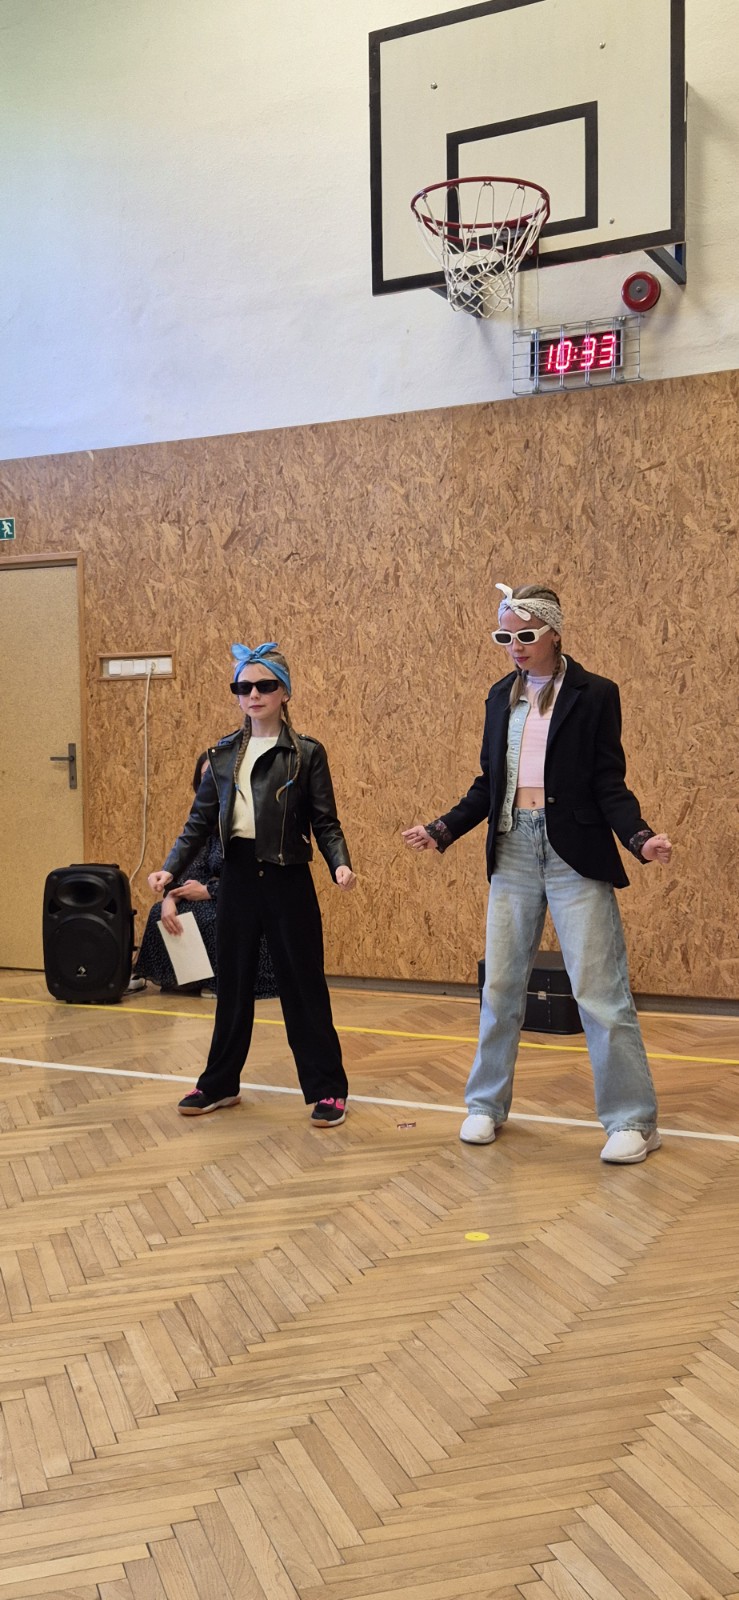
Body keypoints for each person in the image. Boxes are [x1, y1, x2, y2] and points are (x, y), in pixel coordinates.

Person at [402, 582, 672, 1165]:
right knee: (500, 987)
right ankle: (485, 1105)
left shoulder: (596, 694)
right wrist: (442, 829)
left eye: (525, 635)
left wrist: (639, 837)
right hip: (514, 850)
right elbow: (487, 784)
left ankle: (633, 1121)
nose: (515, 646)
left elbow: (609, 782)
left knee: (600, 993)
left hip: (575, 854)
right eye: (504, 637)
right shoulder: (499, 697)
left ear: (554, 632)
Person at [148, 642, 356, 1125]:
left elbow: (325, 821)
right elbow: (197, 822)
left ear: (285, 692)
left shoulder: (306, 753)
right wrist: (171, 868)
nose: (253, 694)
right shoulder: (221, 755)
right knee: (232, 985)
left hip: (287, 877)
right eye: (243, 687)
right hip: (238, 876)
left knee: (303, 986)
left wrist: (339, 863)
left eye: (265, 685)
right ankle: (219, 1084)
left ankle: (328, 1089)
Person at [134, 752, 278, 1002]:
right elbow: (190, 869)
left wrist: (210, 891)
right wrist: (171, 898)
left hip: (247, 900)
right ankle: (186, 980)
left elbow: (258, 879)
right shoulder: (204, 823)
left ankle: (220, 982)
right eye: (206, 777)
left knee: (214, 917)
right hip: (212, 896)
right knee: (161, 912)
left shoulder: (250, 819)